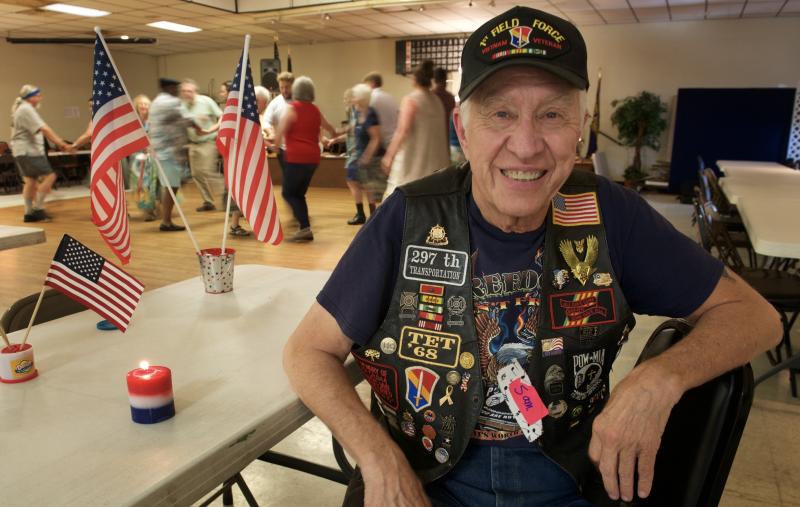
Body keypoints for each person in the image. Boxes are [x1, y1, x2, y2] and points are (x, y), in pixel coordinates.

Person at [283, 6, 782, 507]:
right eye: (500, 113)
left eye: (552, 114)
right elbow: (308, 353)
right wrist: (377, 456)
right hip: (427, 477)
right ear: (462, 126)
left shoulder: (611, 214)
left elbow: (756, 319)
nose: (525, 145)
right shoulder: (409, 217)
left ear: (580, 129)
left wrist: (659, 379)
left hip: (568, 475)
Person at [273, 76, 337, 242]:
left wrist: (274, 146)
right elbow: (330, 128)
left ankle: (304, 227)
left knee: (288, 193)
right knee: (299, 194)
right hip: (313, 159)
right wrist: (335, 135)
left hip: (296, 158)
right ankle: (304, 228)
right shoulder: (315, 109)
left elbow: (280, 132)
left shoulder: (292, 108)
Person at [380, 60, 449, 197]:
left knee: (400, 201)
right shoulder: (436, 101)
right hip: (436, 164)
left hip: (413, 163)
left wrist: (389, 156)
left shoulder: (411, 100)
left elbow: (402, 131)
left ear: (414, 79)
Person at [9, 84, 71, 222]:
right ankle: (38, 209)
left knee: (30, 181)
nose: (40, 97)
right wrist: (61, 143)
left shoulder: (21, 108)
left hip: (22, 151)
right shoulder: (26, 109)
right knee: (50, 176)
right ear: (30, 97)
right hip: (28, 151)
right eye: (37, 95)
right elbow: (44, 129)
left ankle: (29, 213)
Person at [148, 77, 196, 232]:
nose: (178, 92)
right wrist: (199, 124)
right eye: (176, 89)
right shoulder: (171, 102)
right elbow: (186, 119)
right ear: (169, 88)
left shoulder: (156, 102)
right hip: (169, 153)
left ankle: (166, 219)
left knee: (168, 186)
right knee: (171, 187)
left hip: (161, 152)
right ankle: (166, 221)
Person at [181, 79, 224, 212]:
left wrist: (213, 128)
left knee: (206, 171)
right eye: (184, 91)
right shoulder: (182, 106)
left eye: (189, 91)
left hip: (208, 142)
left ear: (195, 91)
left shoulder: (206, 101)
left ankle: (228, 196)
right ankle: (208, 202)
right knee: (196, 174)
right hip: (193, 144)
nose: (187, 93)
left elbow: (222, 116)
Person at [348, 83, 387, 223]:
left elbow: (376, 138)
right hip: (361, 155)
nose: (352, 98)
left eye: (354, 96)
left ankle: (373, 218)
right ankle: (366, 216)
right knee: (359, 183)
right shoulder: (359, 112)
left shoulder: (370, 114)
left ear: (360, 98)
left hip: (372, 157)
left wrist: (366, 157)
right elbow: (354, 132)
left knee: (370, 188)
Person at [217, 80, 251, 237]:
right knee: (236, 190)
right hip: (233, 157)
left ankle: (236, 222)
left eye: (223, 91)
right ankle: (234, 225)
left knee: (239, 190)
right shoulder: (229, 111)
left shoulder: (233, 111)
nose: (220, 93)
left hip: (236, 156)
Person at [363, 72, 398, 152]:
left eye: (366, 85)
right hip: (393, 141)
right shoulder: (390, 97)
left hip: (380, 144)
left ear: (372, 83)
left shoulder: (370, 98)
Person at [432, 67, 456, 140]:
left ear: (434, 80)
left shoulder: (430, 97)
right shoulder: (450, 98)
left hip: (433, 137)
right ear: (445, 80)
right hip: (448, 139)